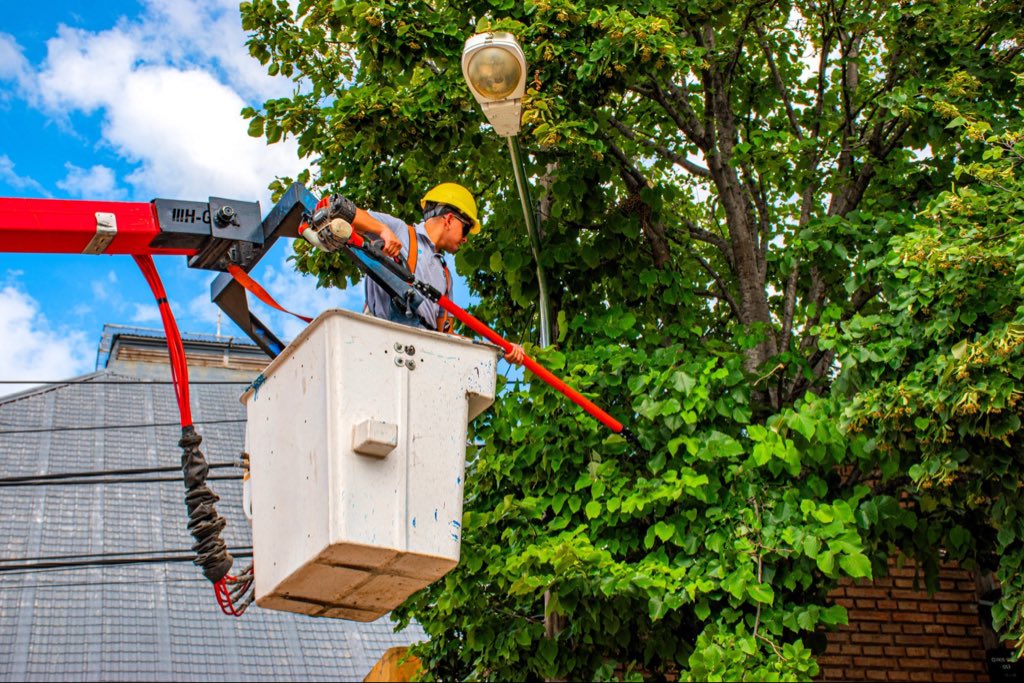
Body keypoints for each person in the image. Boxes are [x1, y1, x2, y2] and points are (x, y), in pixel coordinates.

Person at [301, 182, 525, 365]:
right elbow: (336, 209)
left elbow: (448, 337)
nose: (465, 238)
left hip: (420, 357)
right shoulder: (401, 231)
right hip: (380, 343)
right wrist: (383, 231)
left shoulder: (445, 277)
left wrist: (498, 349)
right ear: (449, 219)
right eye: (466, 228)